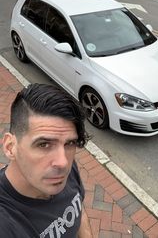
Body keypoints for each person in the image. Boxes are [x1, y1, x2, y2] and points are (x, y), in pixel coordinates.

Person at [0, 83, 93, 238]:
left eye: (69, 143)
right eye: (44, 144)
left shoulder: (63, 170)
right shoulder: (7, 224)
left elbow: (79, 210)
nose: (63, 162)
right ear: (10, 147)